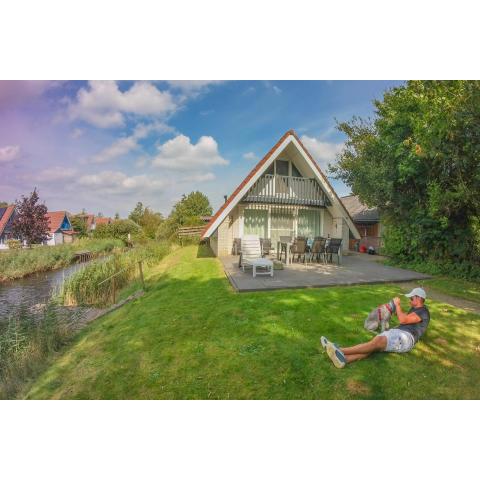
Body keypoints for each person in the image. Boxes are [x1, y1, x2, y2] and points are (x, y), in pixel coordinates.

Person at [321, 287, 430, 368]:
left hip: (405, 338)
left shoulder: (423, 312)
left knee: (376, 343)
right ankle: (344, 360)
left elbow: (403, 320)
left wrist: (397, 305)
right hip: (398, 333)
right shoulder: (416, 310)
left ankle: (339, 350)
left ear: (419, 298)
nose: (409, 300)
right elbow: (406, 319)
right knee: (373, 347)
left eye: (411, 298)